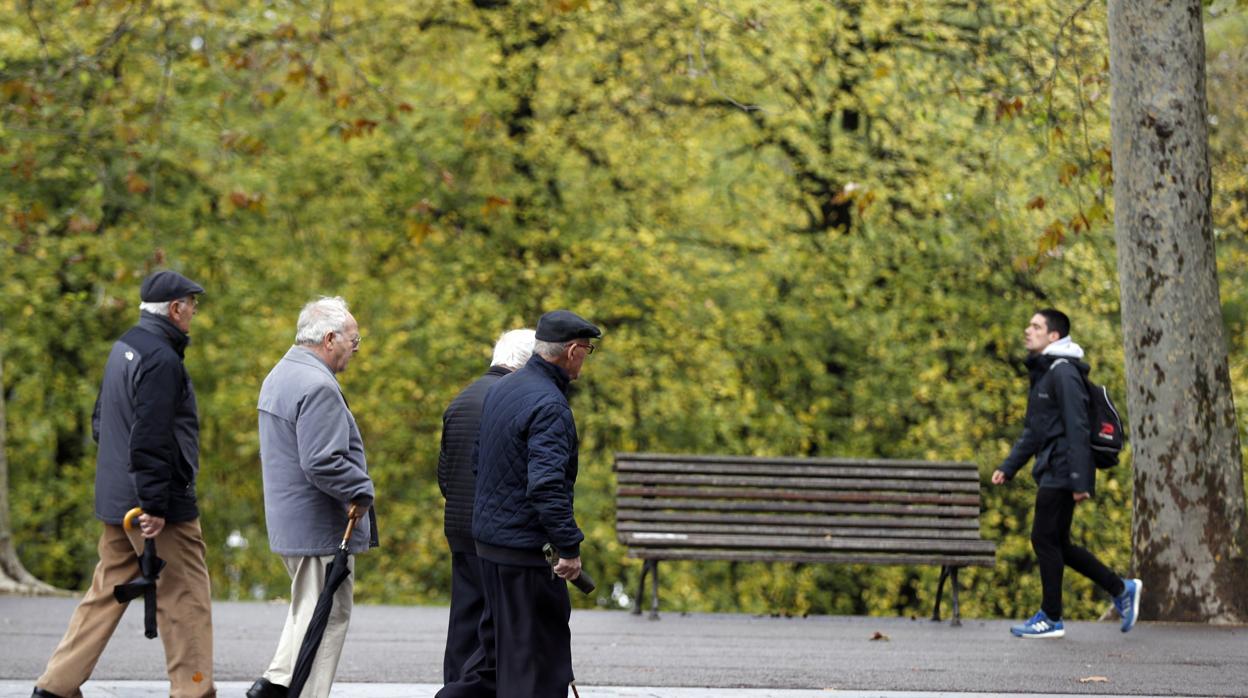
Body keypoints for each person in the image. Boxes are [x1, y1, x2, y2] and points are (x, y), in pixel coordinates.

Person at [32, 270, 215, 698]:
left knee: (105, 593)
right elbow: (151, 437)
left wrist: (129, 488)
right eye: (192, 304)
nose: (194, 311)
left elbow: (102, 422)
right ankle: (193, 691)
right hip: (155, 506)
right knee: (186, 597)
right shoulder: (162, 361)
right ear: (175, 309)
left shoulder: (126, 346)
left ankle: (55, 686)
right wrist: (154, 504)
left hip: (118, 498)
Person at [438, 310, 600, 698]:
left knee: (491, 662)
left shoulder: (503, 390)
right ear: (573, 351)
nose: (586, 357)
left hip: (490, 549)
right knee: (537, 668)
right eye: (587, 349)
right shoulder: (550, 405)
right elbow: (546, 486)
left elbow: (478, 462)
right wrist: (569, 547)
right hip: (526, 556)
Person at [247, 297, 378, 698]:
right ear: (329, 339)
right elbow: (322, 461)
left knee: (308, 607)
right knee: (327, 616)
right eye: (353, 339)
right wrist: (360, 489)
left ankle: (275, 682)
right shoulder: (318, 385)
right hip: (319, 524)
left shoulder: (281, 373)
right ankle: (292, 689)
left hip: (294, 520)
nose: (356, 348)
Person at [992, 308, 1142, 639]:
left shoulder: (1063, 372)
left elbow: (1078, 426)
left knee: (1043, 538)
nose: (1028, 330)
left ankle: (1051, 616)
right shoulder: (1046, 373)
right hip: (1054, 466)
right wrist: (1008, 466)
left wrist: (1080, 480)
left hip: (1062, 468)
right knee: (1058, 542)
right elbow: (1034, 431)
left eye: (1036, 326)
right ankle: (1121, 588)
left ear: (1054, 336)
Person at [438, 329, 536, 684]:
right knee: (500, 625)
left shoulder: (461, 399)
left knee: (464, 620)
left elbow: (444, 472)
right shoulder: (513, 401)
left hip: (459, 525)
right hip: (497, 531)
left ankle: (454, 685)